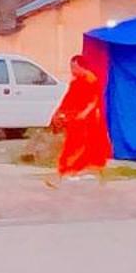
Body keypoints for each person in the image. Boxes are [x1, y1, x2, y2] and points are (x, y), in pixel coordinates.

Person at [50, 53, 112, 183]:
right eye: (71, 67)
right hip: (75, 118)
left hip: (88, 119)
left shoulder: (91, 80)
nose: (72, 70)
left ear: (81, 67)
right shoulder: (75, 82)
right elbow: (68, 99)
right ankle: (69, 170)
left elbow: (94, 101)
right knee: (72, 144)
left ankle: (81, 170)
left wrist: (84, 113)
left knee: (87, 145)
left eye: (74, 67)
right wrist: (59, 112)